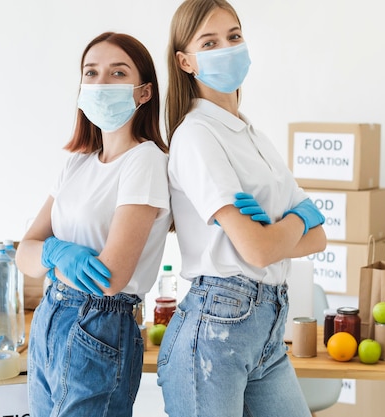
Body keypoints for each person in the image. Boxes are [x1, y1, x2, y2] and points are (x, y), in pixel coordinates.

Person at [156, 1, 327, 416]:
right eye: (209, 42)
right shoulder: (196, 134)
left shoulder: (253, 135)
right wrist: (297, 217)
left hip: (267, 328)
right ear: (186, 61)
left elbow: (319, 237)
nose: (227, 48)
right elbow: (259, 250)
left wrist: (279, 228)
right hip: (215, 326)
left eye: (234, 36)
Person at [16, 32, 171, 417]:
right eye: (92, 73)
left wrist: (48, 255)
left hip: (98, 324)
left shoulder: (145, 161)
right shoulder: (78, 162)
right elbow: (24, 254)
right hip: (50, 316)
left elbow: (111, 277)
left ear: (144, 92)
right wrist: (55, 251)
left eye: (118, 73)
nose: (101, 83)